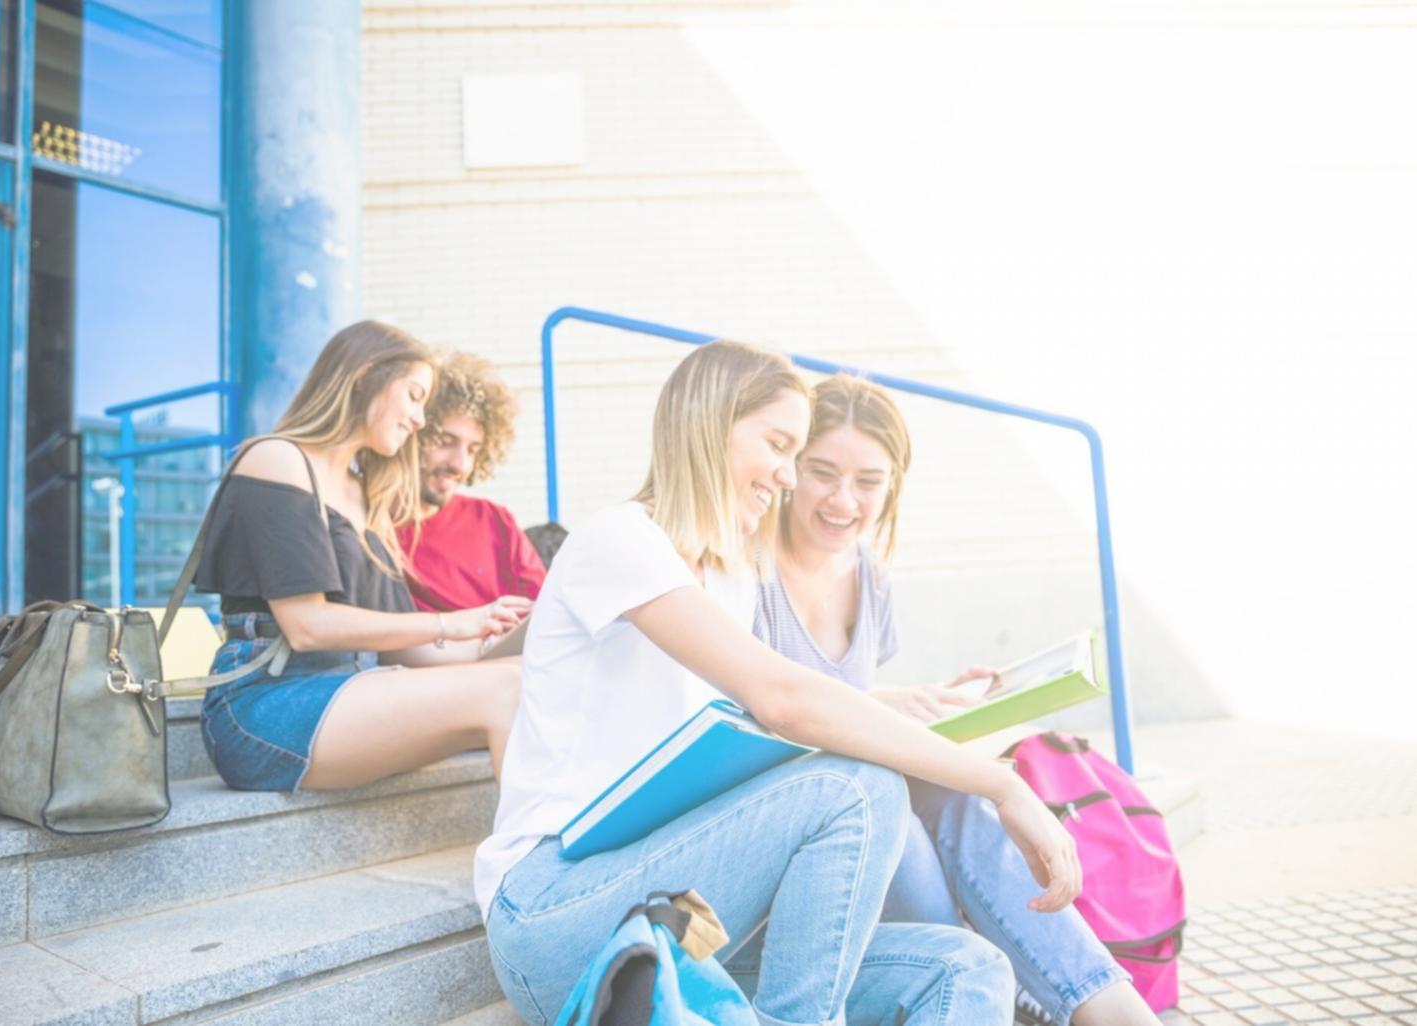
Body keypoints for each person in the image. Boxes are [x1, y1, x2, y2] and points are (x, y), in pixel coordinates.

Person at [476, 340, 1083, 1026]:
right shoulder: (620, 540)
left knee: (966, 968)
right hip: (557, 912)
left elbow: (779, 713)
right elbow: (785, 699)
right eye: (778, 445)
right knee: (860, 788)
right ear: (710, 425)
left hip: (680, 915)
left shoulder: (730, 579)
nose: (789, 477)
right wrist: (1001, 784)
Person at [751, 374, 1161, 1026]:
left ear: (893, 486)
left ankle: (1087, 1002)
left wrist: (926, 701)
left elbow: (843, 700)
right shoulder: (750, 570)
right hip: (793, 838)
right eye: (821, 472)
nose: (842, 500)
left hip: (863, 811)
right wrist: (891, 717)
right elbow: (772, 711)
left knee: (950, 799)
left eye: (868, 481)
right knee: (916, 801)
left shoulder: (866, 575)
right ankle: (1026, 996)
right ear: (790, 466)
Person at [193, 321, 534, 793]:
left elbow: (399, 648)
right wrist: (449, 623)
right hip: (265, 706)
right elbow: (307, 626)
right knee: (508, 689)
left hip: (354, 686)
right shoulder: (277, 459)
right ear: (366, 375)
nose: (420, 419)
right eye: (414, 396)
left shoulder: (366, 495)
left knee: (530, 675)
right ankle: (540, 842)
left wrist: (493, 640)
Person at [398, 351, 548, 635]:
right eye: (445, 441)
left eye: (473, 450)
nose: (460, 464)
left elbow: (545, 613)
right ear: (412, 432)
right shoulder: (376, 529)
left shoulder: (495, 520)